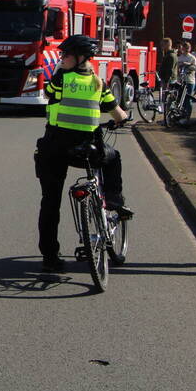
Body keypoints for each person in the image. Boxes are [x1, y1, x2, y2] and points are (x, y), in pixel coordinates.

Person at [34, 34, 130, 272]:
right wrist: (123, 119)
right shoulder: (99, 84)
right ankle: (115, 200)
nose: (61, 58)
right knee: (113, 157)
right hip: (85, 150)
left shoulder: (61, 79)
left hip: (54, 148)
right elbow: (118, 115)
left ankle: (50, 258)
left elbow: (48, 93)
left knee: (50, 203)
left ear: (79, 58)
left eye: (65, 55)